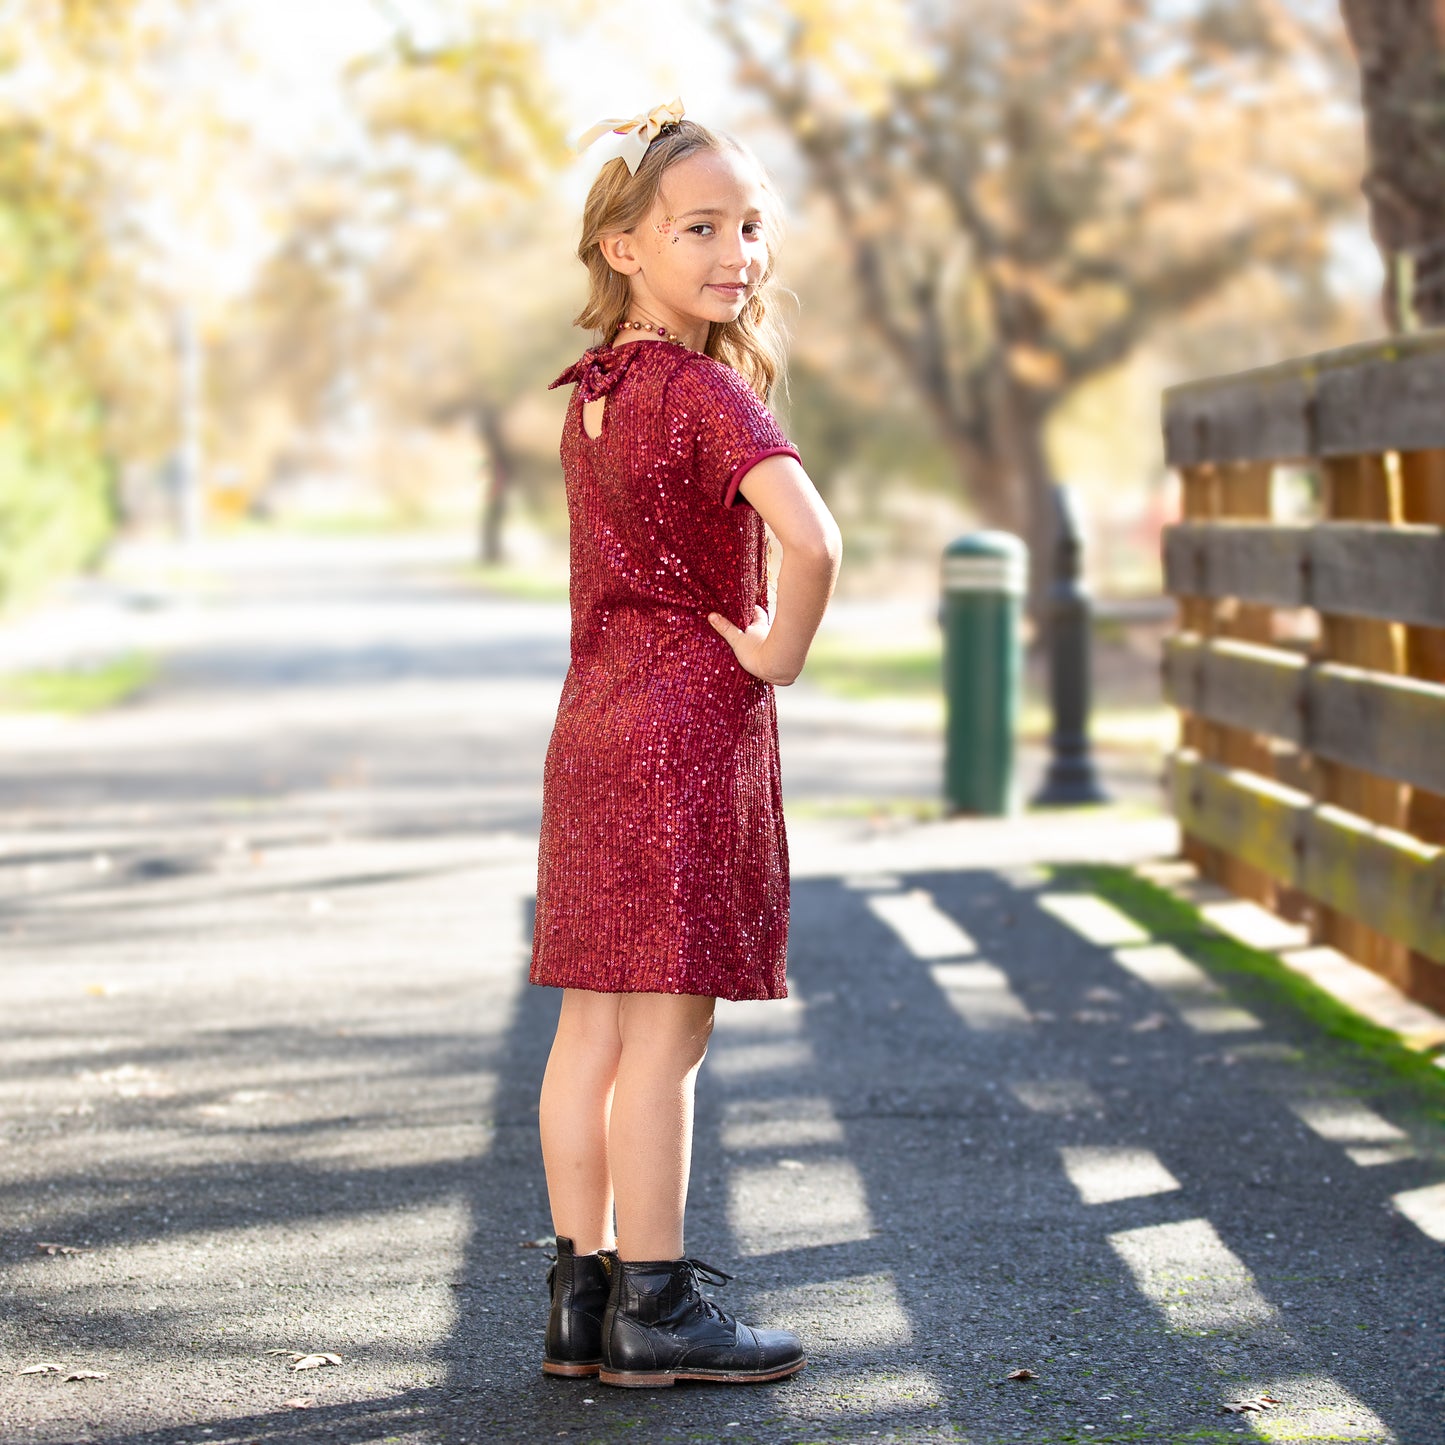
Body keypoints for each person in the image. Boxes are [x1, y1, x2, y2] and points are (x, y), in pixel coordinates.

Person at [530, 99, 842, 1390]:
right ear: (621, 248)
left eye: (751, 225)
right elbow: (814, 542)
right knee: (666, 1036)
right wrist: (775, 649)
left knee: (593, 1024)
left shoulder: (594, 397)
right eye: (699, 226)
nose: (736, 251)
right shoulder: (704, 391)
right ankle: (657, 1304)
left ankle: (580, 1296)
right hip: (683, 729)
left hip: (594, 726)